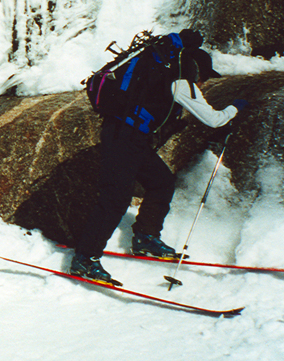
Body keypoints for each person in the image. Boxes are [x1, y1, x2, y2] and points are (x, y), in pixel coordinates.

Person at [70, 36, 248, 284]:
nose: (203, 83)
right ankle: (85, 259)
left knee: (161, 182)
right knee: (115, 199)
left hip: (128, 136)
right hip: (125, 137)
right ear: (196, 69)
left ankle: (146, 237)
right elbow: (214, 119)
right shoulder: (180, 82)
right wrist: (236, 108)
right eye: (204, 77)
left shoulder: (160, 73)